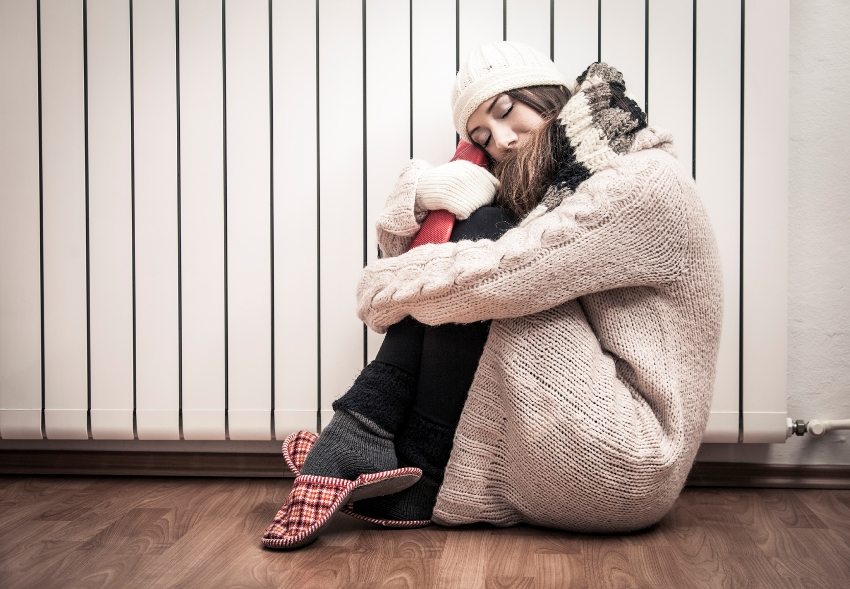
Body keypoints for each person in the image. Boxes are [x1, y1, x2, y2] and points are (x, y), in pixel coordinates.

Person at [264, 40, 722, 549]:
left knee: (485, 263)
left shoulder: (641, 179)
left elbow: (493, 277)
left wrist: (376, 287)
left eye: (505, 110)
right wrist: (423, 194)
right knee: (479, 235)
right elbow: (426, 253)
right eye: (481, 136)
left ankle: (372, 432)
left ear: (548, 94)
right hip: (588, 435)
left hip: (626, 457)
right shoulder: (556, 190)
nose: (502, 140)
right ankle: (392, 448)